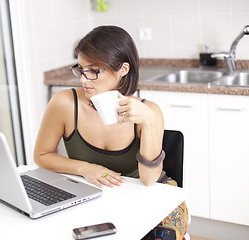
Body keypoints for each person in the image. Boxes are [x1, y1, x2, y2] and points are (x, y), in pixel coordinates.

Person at [34, 25, 188, 240]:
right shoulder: (64, 103)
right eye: (80, 69)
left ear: (123, 69)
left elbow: (149, 179)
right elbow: (41, 156)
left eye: (93, 71)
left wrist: (150, 122)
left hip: (152, 195)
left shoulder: (149, 111)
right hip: (95, 195)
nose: (83, 79)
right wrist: (85, 168)